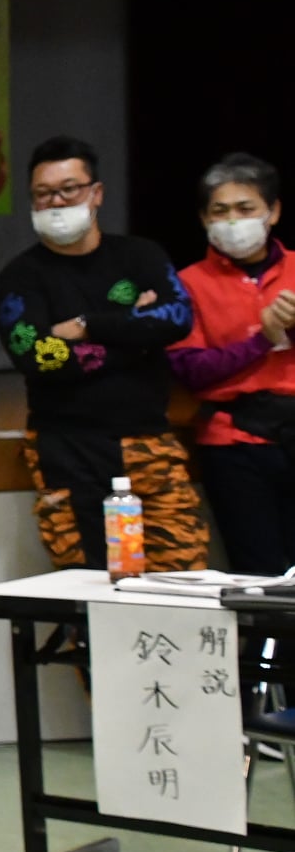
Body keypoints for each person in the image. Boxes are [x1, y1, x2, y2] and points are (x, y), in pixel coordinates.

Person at [0, 135, 208, 571]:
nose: (56, 201)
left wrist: (89, 325)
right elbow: (38, 356)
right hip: (65, 448)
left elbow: (178, 317)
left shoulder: (141, 255)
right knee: (88, 585)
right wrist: (138, 337)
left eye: (69, 189)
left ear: (97, 193)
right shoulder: (19, 277)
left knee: (183, 574)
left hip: (149, 441)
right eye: (43, 193)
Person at [168, 152, 295, 574]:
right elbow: (191, 371)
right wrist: (263, 340)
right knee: (257, 573)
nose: (233, 221)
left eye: (245, 209)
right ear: (204, 219)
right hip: (233, 442)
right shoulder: (187, 283)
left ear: (273, 211)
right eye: (220, 212)